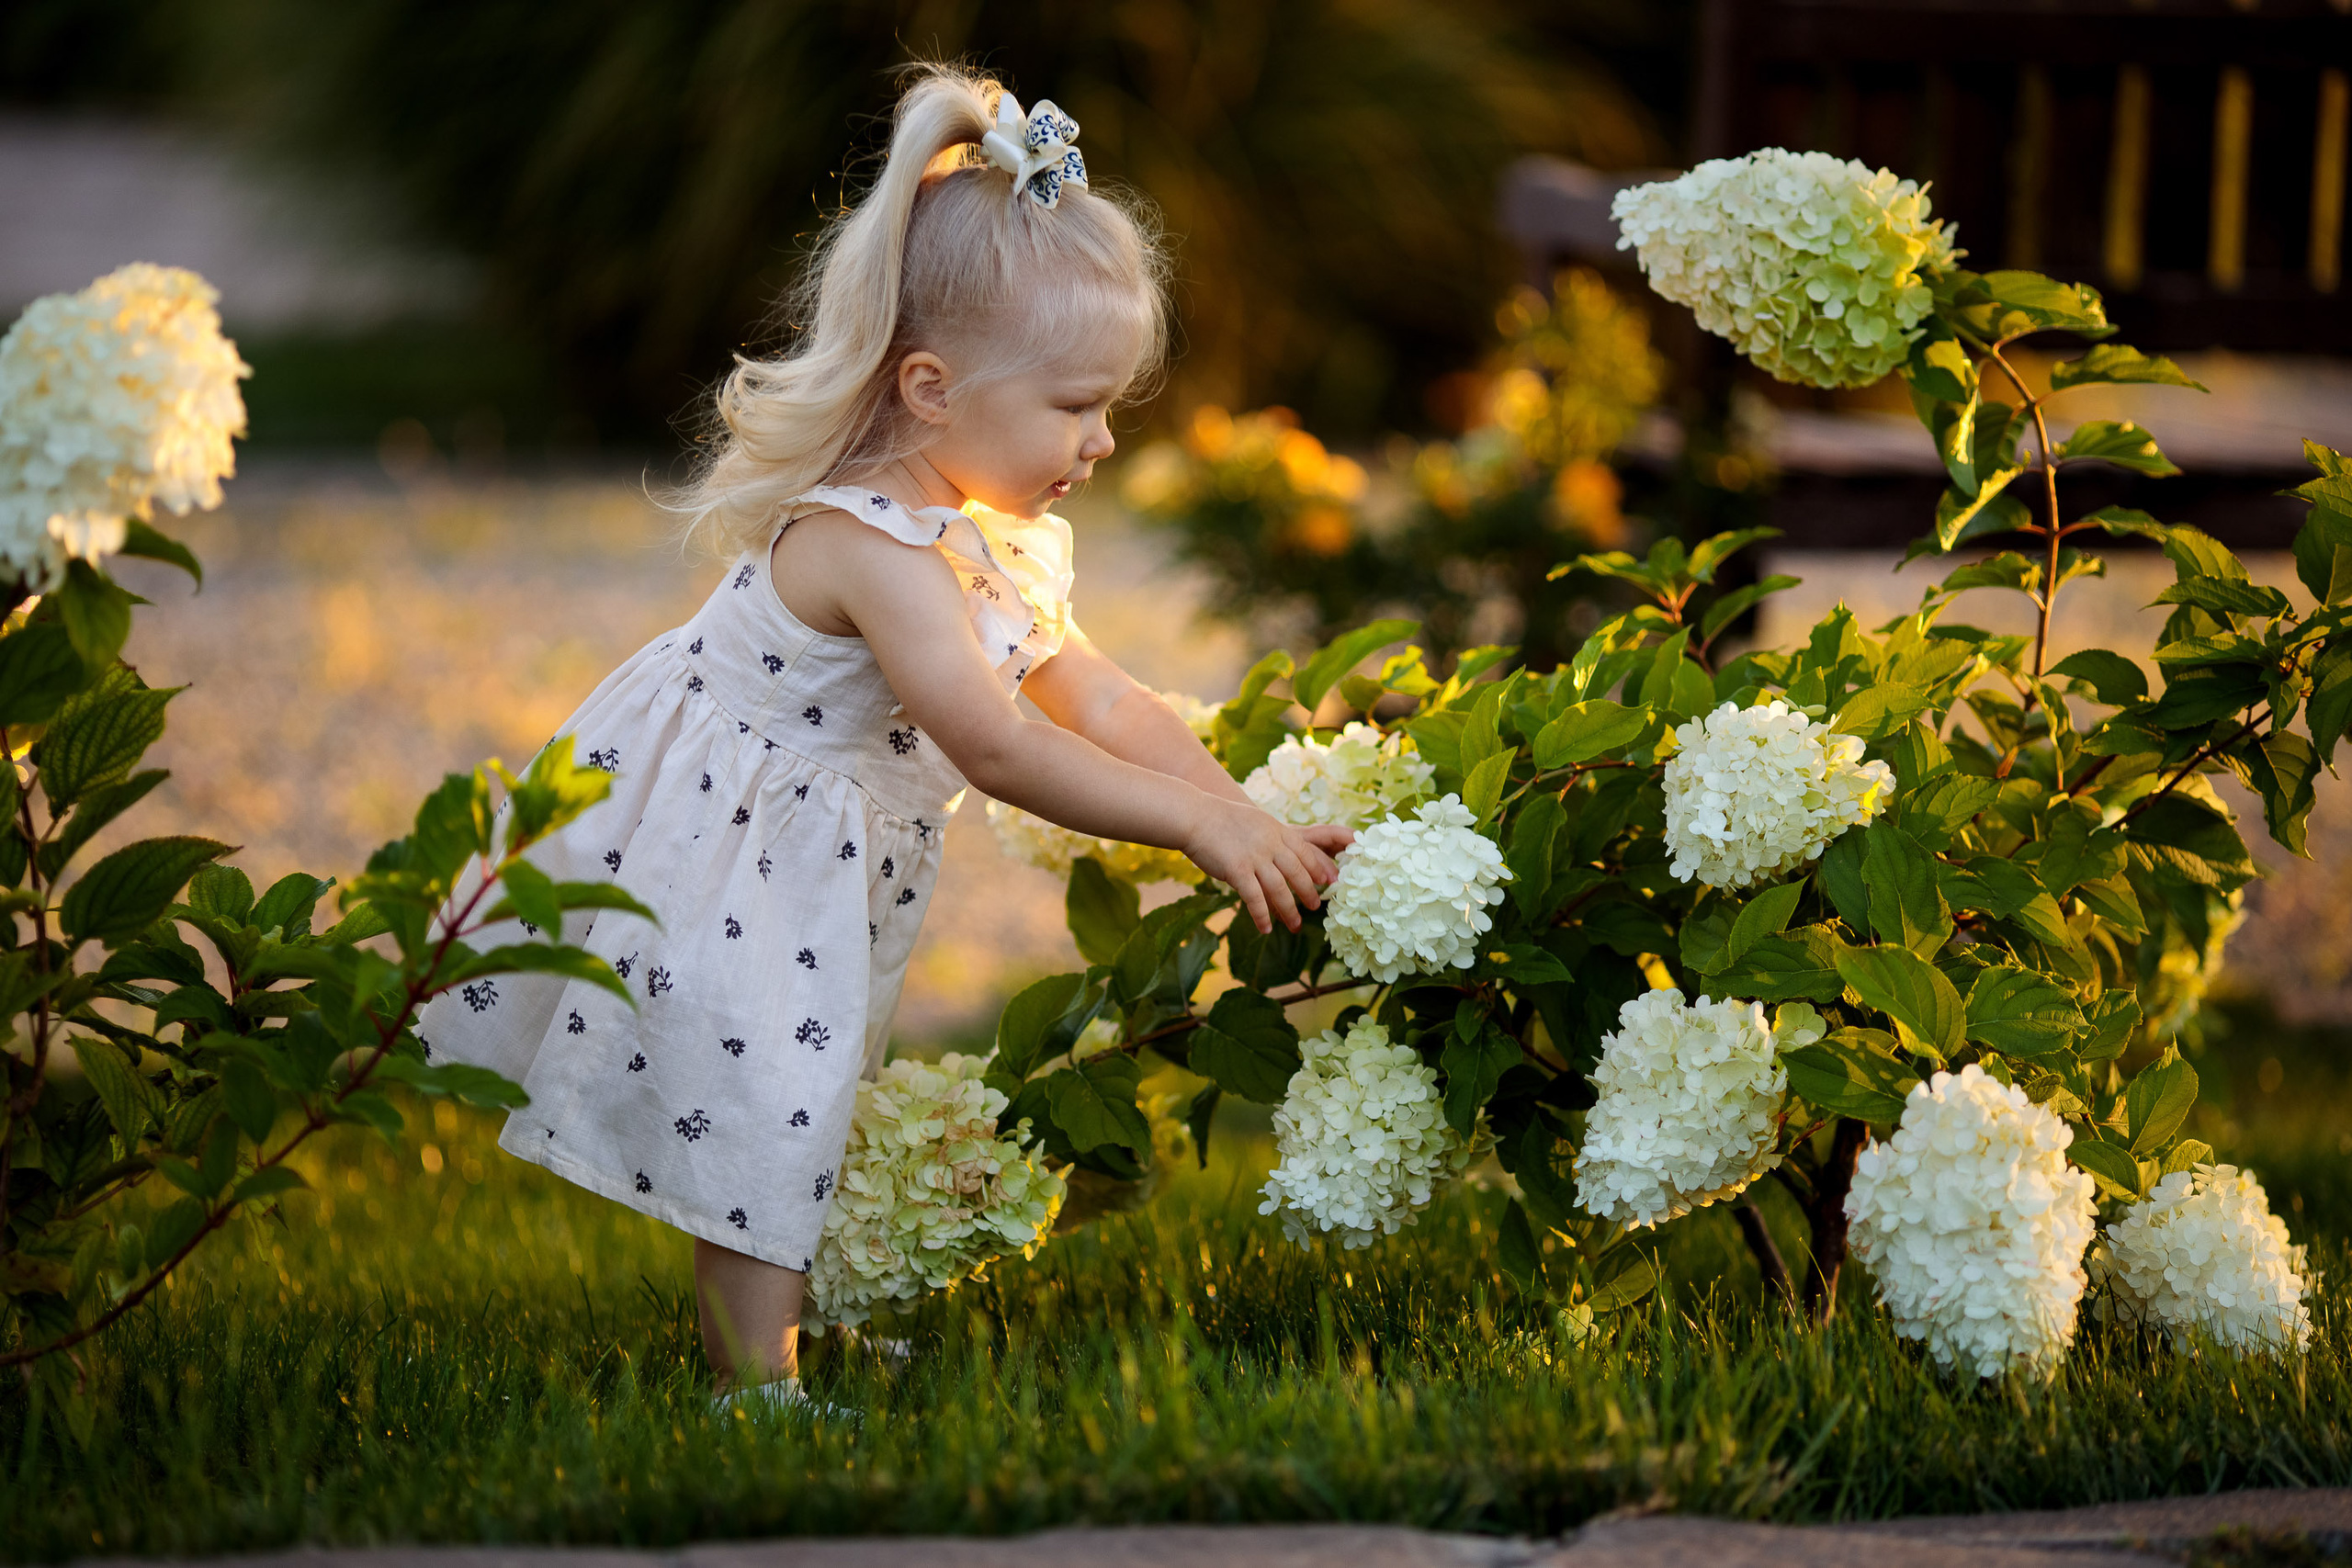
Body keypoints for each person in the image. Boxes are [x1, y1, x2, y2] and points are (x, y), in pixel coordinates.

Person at [414, 64, 1354, 1415]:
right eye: (1075, 406)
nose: (1099, 442)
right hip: (714, 846)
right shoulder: (873, 544)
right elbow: (1000, 745)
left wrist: (1238, 812)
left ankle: (785, 1343)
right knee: (769, 1101)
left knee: (811, 1085)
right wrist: (1199, 828)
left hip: (806, 860)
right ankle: (756, 1392)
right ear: (928, 386)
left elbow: (1097, 697)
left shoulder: (985, 530)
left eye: (1111, 408)